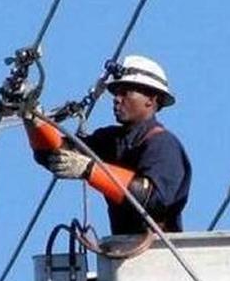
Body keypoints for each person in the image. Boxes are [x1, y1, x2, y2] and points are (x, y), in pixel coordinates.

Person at [25, 54, 191, 235]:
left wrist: (91, 170)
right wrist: (33, 119)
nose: (117, 98)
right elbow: (56, 155)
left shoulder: (163, 145)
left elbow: (153, 199)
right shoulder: (111, 140)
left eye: (125, 92)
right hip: (122, 250)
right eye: (116, 92)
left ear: (151, 99)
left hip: (158, 254)